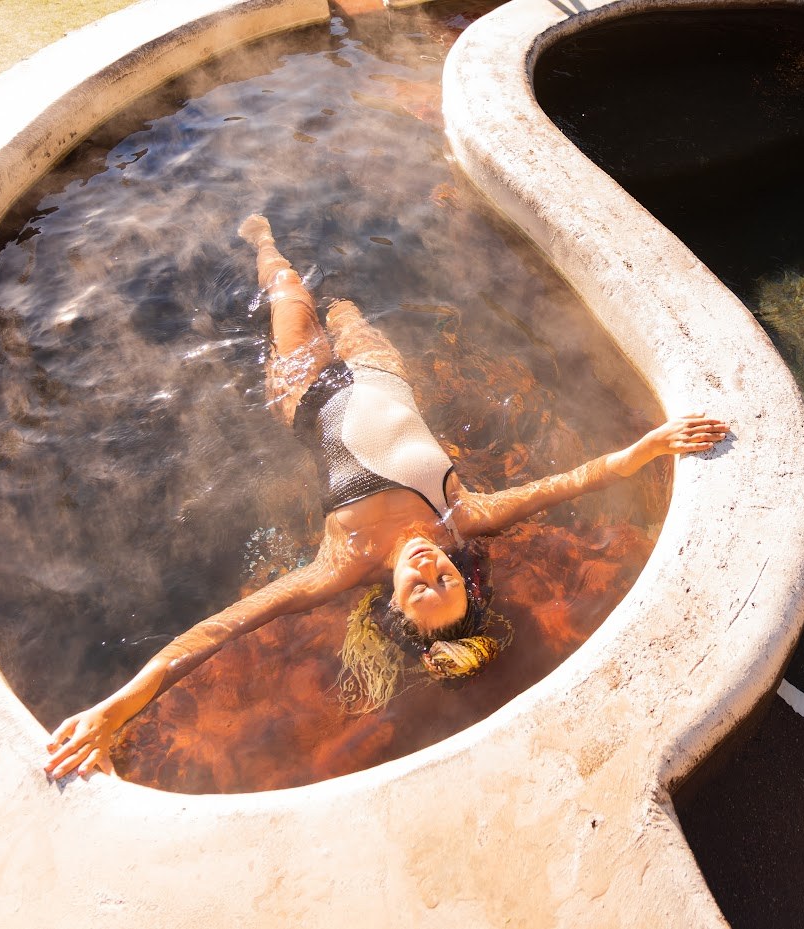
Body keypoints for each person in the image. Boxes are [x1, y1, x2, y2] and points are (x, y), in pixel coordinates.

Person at [44, 215, 728, 780]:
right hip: (379, 370)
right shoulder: (465, 518)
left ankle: (261, 239)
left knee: (288, 290)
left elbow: (223, 628)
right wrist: (646, 448)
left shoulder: (343, 562)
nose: (432, 567)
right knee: (344, 306)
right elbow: (567, 483)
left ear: (394, 604)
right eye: (448, 578)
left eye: (423, 588)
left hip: (304, 389)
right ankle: (331, 279)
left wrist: (118, 707)